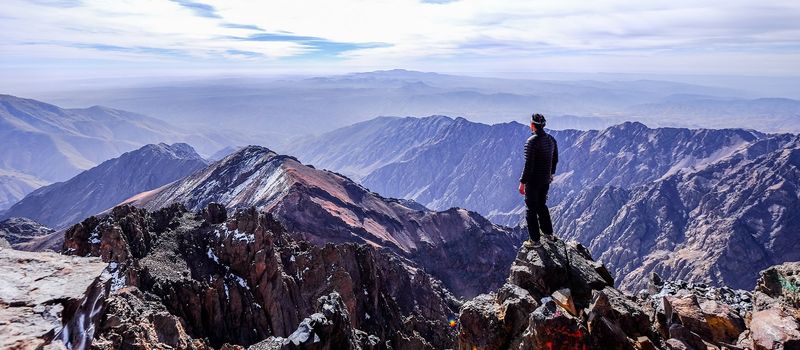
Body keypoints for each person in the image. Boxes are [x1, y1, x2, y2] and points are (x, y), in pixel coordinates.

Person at [518, 113, 558, 248]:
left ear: (532, 125)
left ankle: (535, 241)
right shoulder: (551, 140)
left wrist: (522, 182)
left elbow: (528, 165)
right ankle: (549, 235)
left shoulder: (532, 142)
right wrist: (551, 174)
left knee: (530, 208)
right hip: (546, 180)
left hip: (533, 181)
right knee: (542, 206)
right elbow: (555, 160)